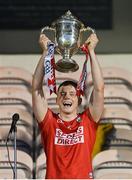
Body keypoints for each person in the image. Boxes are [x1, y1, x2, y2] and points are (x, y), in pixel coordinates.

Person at [32, 33, 104, 179]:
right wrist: (46, 52)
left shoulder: (88, 121)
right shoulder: (49, 122)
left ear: (79, 99)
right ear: (57, 100)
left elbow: (99, 88)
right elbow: (36, 88)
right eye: (63, 94)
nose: (67, 96)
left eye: (72, 93)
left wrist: (91, 52)